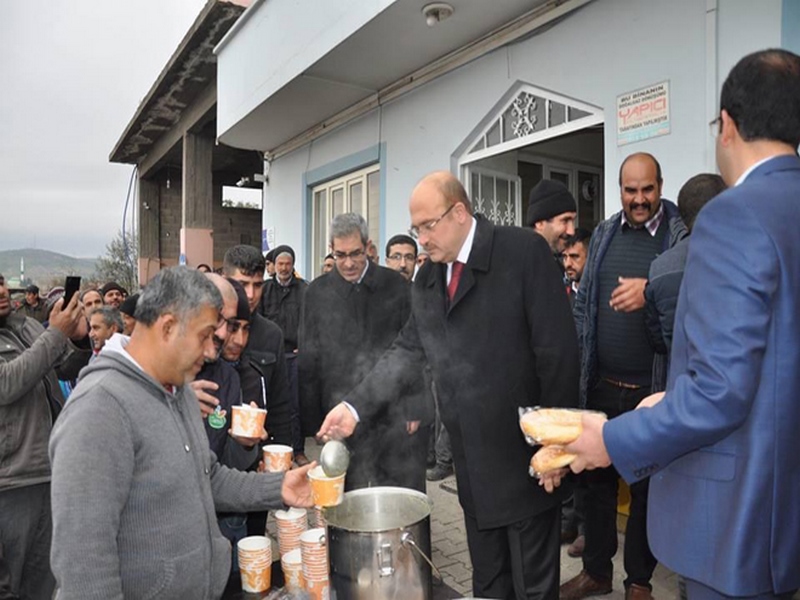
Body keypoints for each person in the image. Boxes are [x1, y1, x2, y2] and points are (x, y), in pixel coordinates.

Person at [556, 48, 800, 600]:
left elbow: (720, 393)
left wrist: (612, 440)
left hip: (739, 522)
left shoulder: (732, 216)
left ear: (728, 126)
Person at [318, 173, 579, 598]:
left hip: (527, 459)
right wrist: (353, 408)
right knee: (489, 584)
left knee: (533, 588)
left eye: (427, 226)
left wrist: (558, 446)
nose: (420, 239)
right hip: (472, 468)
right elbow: (407, 350)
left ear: (459, 213)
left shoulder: (521, 252)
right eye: (415, 228)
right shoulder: (428, 280)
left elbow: (558, 354)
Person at [49, 266, 315, 599]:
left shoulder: (178, 391)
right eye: (205, 336)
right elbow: (83, 566)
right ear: (168, 327)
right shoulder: (100, 409)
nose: (210, 352)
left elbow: (208, 475)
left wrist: (280, 486)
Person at [561, 152, 685, 600]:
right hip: (600, 385)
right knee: (594, 488)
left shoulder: (678, 236)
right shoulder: (606, 234)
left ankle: (638, 582)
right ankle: (596, 572)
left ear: (660, 185)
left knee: (645, 492)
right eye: (630, 190)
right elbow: (583, 306)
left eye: (647, 189)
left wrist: (650, 291)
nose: (639, 199)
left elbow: (693, 294)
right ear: (619, 189)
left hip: (650, 392)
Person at [0, 272, 85, 600]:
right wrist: (55, 334)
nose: (3, 290)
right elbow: (7, 383)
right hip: (10, 485)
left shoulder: (25, 326)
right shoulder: (41, 330)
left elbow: (67, 367)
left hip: (50, 474)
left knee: (44, 585)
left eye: (3, 282)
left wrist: (77, 337)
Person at [644, 174, 726, 393]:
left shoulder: (660, 268)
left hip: (679, 388)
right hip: (731, 390)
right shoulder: (742, 257)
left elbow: (657, 340)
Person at [259, 244, 309, 465]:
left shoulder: (304, 290)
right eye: (280, 264)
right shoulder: (265, 289)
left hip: (294, 356)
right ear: (274, 266)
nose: (284, 268)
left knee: (295, 406)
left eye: (288, 264)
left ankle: (297, 450)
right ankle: (271, 450)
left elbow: (311, 322)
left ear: (293, 265)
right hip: (269, 356)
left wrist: (305, 345)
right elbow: (258, 321)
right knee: (269, 403)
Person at [526, 179, 577, 255]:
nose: (572, 231)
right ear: (540, 223)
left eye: (573, 221)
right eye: (565, 220)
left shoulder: (556, 261)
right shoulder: (520, 262)